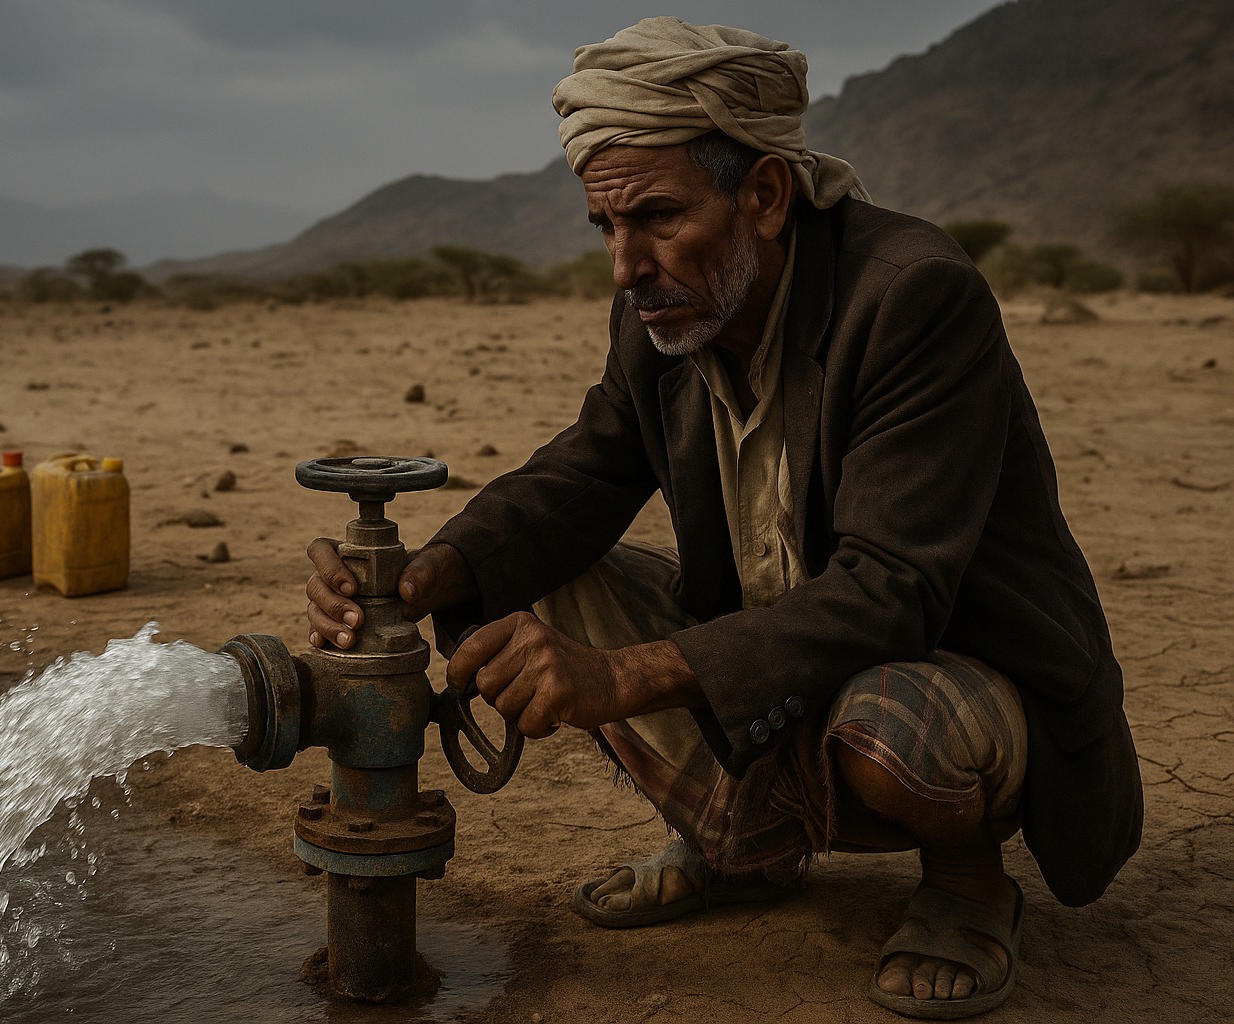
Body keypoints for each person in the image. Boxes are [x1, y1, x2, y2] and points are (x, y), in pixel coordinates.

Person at [306, 17, 1141, 1019]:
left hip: (953, 666)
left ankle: (967, 885)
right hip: (778, 659)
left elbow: (893, 591)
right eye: (606, 227)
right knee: (536, 573)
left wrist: (617, 676)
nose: (626, 265)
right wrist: (420, 576)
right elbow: (582, 475)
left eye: (657, 216)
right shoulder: (663, 311)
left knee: (893, 727)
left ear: (766, 195)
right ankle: (739, 848)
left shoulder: (914, 297)